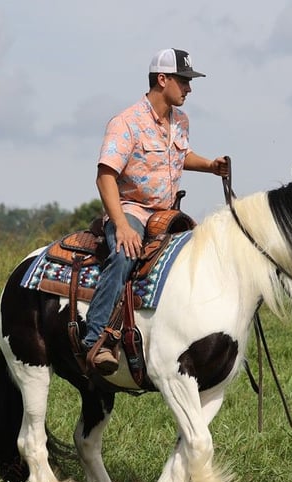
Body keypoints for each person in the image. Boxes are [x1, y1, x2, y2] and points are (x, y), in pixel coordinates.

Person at [83, 48, 229, 375]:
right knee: (124, 254)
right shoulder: (126, 123)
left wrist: (210, 166)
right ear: (162, 80)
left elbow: (180, 156)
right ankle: (97, 338)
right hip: (132, 209)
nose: (189, 88)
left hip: (166, 212)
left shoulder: (181, 121)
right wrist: (120, 224)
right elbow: (105, 174)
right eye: (184, 81)